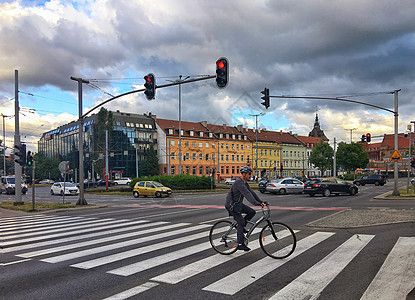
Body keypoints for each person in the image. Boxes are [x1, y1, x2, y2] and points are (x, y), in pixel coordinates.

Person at [225, 166, 266, 251]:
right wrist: (256, 203)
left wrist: (261, 201)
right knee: (240, 222)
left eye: (251, 174)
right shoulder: (238, 182)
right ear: (243, 174)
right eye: (249, 174)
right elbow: (247, 194)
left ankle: (242, 227)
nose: (250, 175)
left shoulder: (244, 183)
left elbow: (251, 192)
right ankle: (240, 244)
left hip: (238, 204)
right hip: (231, 205)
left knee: (251, 212)